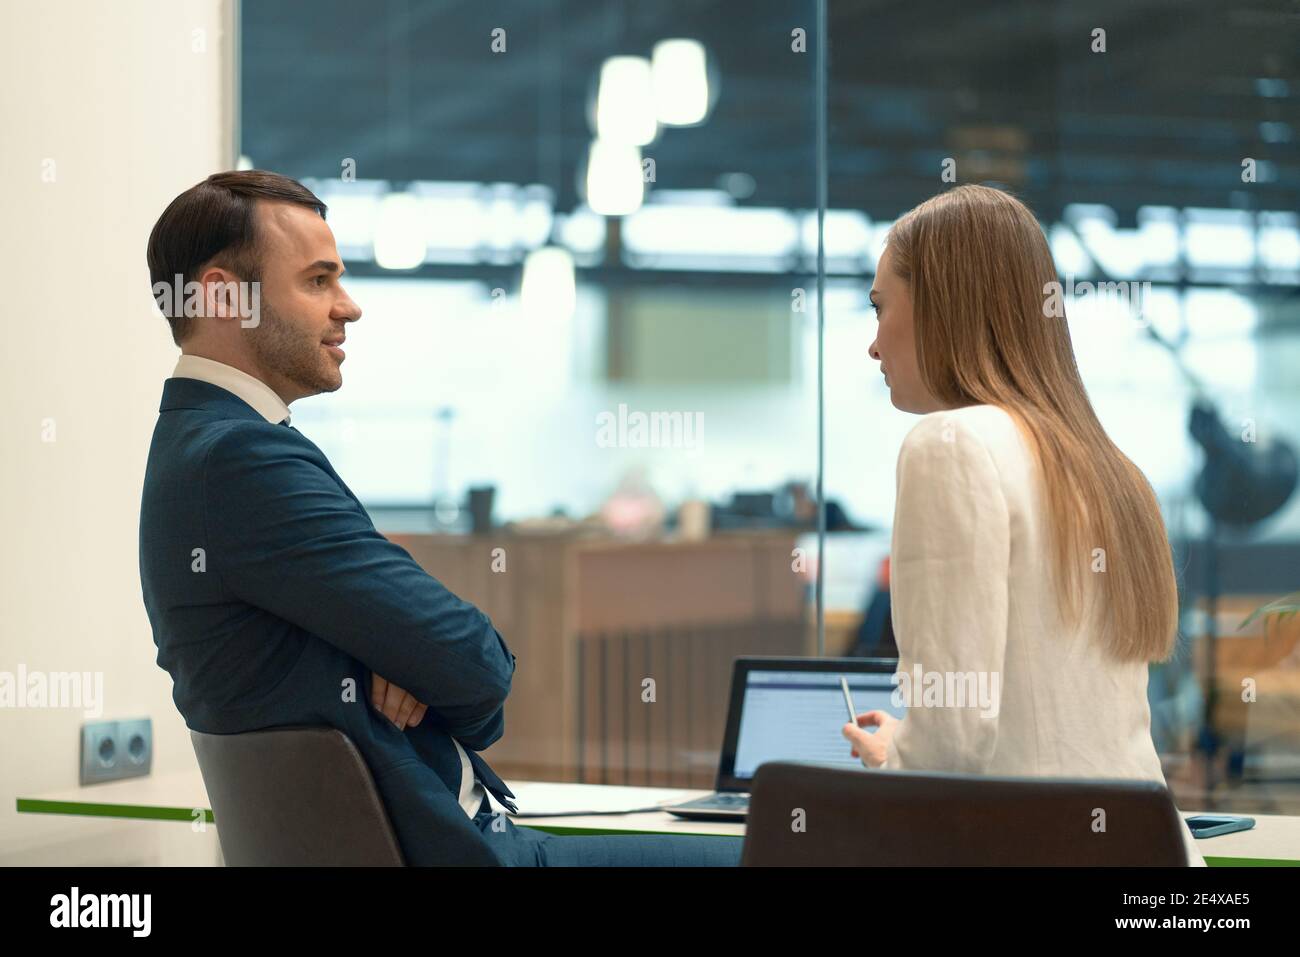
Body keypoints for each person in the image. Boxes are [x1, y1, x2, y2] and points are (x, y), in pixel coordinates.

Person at [139, 170, 741, 866]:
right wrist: (411, 658)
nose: (349, 306)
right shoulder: (241, 459)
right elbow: (476, 666)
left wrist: (404, 655)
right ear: (221, 294)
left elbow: (438, 656)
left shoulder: (198, 448)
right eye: (318, 281)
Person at [841, 184, 1206, 866]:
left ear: (942, 306)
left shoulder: (950, 444)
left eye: (880, 307)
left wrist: (894, 759)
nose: (872, 344)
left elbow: (952, 738)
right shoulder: (1112, 472)